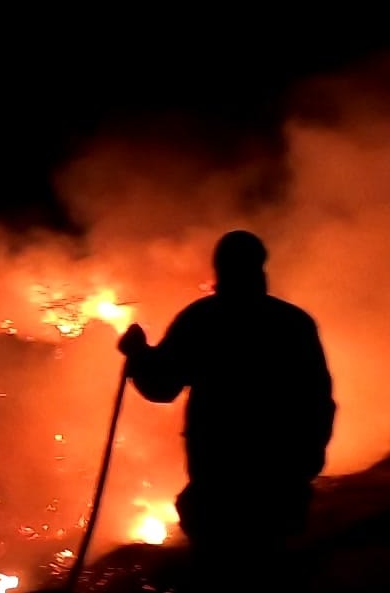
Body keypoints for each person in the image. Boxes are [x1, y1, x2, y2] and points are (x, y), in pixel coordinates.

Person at [117, 229, 335, 558]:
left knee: (222, 578)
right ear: (260, 267)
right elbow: (319, 401)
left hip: (219, 484)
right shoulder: (293, 324)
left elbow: (162, 385)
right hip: (280, 483)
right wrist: (305, 463)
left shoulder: (202, 321)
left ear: (219, 270)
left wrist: (137, 354)